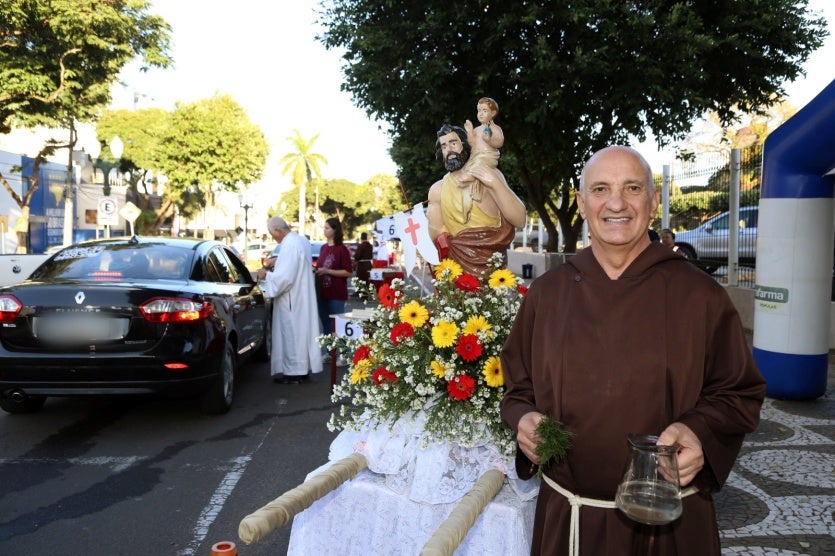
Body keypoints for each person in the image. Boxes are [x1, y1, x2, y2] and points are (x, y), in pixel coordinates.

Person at [500, 146, 766, 555]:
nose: (617, 203)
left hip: (670, 528)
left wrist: (700, 431)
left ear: (654, 200)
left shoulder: (701, 296)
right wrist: (524, 420)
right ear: (583, 202)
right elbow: (517, 388)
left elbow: (738, 393)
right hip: (570, 521)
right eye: (601, 188)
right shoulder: (547, 294)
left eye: (633, 188)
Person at [426, 123, 526, 276]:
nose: (449, 150)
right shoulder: (437, 190)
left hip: (491, 270)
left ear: (466, 144)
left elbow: (520, 219)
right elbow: (436, 235)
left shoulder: (489, 175)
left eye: (453, 143)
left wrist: (494, 182)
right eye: (444, 146)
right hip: (455, 271)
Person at [255, 216, 322, 384]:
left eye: (272, 234)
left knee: (292, 334)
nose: (273, 238)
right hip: (301, 296)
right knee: (301, 334)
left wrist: (265, 275)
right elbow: (295, 262)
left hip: (291, 299)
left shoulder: (289, 245)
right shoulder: (300, 241)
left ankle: (294, 373)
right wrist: (277, 261)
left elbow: (284, 278)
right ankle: (302, 370)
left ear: (278, 230)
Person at [315, 217, 353, 335]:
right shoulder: (323, 248)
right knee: (326, 324)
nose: (324, 230)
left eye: (327, 228)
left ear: (335, 230)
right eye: (324, 228)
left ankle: (343, 352)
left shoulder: (342, 250)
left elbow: (348, 272)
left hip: (336, 294)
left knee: (338, 325)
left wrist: (328, 271)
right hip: (322, 293)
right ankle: (329, 352)